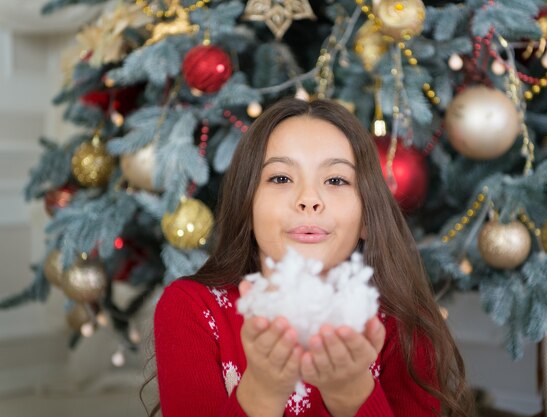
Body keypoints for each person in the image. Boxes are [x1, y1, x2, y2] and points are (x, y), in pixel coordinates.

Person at [149, 98, 474, 417]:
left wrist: (352, 394)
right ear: (247, 206)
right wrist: (261, 391)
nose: (309, 199)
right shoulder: (191, 308)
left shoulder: (401, 322)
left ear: (367, 217)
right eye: (280, 178)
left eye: (336, 180)